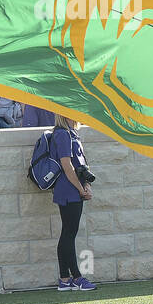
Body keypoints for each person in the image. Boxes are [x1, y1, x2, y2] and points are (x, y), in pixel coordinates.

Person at [50, 113, 96, 291]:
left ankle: (64, 278)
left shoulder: (71, 133)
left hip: (74, 188)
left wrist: (85, 185)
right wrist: (80, 188)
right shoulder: (62, 133)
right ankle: (76, 277)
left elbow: (80, 165)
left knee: (68, 233)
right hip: (68, 189)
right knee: (69, 234)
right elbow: (66, 166)